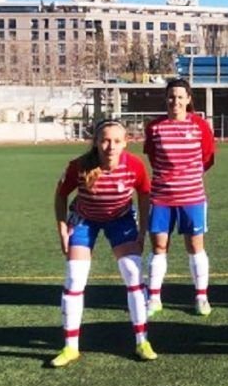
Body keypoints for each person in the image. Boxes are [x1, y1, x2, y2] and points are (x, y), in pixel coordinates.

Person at [50, 119, 156, 367]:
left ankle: (142, 341)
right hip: (85, 220)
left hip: (120, 220)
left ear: (126, 142)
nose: (111, 146)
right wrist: (62, 227)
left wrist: (142, 231)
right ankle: (70, 347)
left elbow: (144, 195)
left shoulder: (134, 166)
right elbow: (61, 195)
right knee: (75, 278)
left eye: (117, 141)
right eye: (105, 140)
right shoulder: (79, 166)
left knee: (133, 273)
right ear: (96, 142)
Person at [143, 78, 217, 317]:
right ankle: (154, 297)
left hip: (192, 197)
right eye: (171, 96)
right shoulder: (155, 128)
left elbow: (208, 157)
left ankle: (201, 297)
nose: (175, 101)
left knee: (195, 246)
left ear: (188, 99)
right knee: (159, 246)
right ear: (166, 99)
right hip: (161, 198)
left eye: (180, 97)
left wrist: (188, 177)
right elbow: (153, 158)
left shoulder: (200, 126)